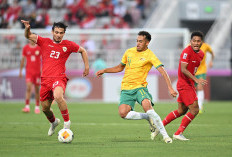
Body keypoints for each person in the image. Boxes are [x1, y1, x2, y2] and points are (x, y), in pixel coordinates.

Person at [96, 31, 177, 143]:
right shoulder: (129, 52)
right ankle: (147, 117)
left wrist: (170, 87)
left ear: (147, 43)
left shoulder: (150, 55)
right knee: (123, 113)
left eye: (141, 41)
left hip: (140, 87)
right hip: (126, 88)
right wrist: (105, 70)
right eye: (137, 41)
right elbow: (120, 67)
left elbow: (163, 72)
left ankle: (165, 136)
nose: (138, 43)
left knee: (148, 108)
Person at [21, 20, 89, 136]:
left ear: (64, 34)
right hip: (45, 80)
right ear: (52, 32)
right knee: (45, 108)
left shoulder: (68, 45)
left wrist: (86, 67)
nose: (58, 35)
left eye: (61, 33)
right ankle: (53, 122)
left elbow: (83, 50)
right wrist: (27, 28)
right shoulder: (44, 42)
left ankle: (67, 123)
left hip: (59, 77)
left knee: (58, 96)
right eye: (56, 32)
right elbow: (28, 36)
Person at [157, 31, 208, 141]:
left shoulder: (202, 54)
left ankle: (159, 126)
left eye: (198, 41)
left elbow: (193, 69)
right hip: (184, 84)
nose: (196, 43)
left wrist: (193, 80)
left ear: (202, 43)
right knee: (195, 110)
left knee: (181, 110)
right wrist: (196, 80)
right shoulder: (186, 51)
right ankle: (178, 133)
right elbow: (183, 69)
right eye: (194, 41)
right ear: (190, 41)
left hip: (189, 84)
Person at [19, 40, 41, 114]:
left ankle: (37, 107)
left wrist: (43, 70)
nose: (32, 40)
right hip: (29, 72)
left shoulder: (39, 48)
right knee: (28, 87)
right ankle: (27, 107)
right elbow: (23, 60)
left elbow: (43, 59)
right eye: (30, 39)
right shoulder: (25, 48)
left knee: (37, 89)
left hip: (38, 72)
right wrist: (20, 71)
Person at [195, 42, 214, 113]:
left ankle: (199, 107)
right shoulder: (189, 46)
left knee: (200, 87)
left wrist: (211, 61)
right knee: (194, 88)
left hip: (202, 70)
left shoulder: (206, 46)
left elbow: (212, 53)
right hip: (192, 71)